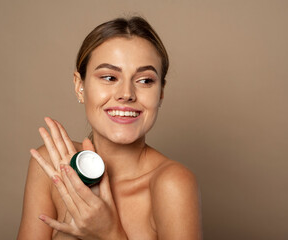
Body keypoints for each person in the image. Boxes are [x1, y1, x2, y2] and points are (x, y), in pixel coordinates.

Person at [17, 16, 202, 240]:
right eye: (109, 77)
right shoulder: (52, 168)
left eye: (145, 81)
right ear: (79, 86)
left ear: (160, 93)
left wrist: (109, 233)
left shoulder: (172, 183)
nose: (126, 93)